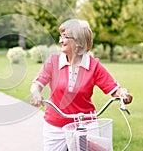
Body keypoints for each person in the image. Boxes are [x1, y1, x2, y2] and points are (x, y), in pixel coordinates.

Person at [30, 19, 133, 151]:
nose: (61, 40)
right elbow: (37, 84)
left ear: (79, 42)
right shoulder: (53, 62)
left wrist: (123, 94)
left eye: (65, 37)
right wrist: (36, 93)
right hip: (55, 125)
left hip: (86, 123)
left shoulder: (93, 65)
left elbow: (114, 89)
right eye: (61, 36)